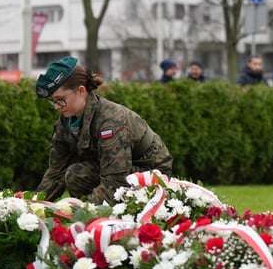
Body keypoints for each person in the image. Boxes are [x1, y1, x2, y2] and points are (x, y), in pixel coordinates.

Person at [35, 56, 173, 204]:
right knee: (77, 174)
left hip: (150, 172)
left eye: (60, 99)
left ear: (81, 91)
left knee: (77, 175)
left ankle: (111, 219)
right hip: (114, 170)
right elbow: (56, 173)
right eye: (53, 101)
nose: (57, 106)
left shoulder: (111, 121)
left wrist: (80, 212)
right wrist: (32, 205)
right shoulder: (66, 122)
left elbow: (116, 181)